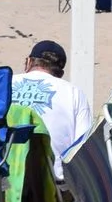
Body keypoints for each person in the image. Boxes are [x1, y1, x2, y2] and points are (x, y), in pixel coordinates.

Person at [10, 39, 92, 178]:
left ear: (29, 62)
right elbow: (82, 147)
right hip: (51, 180)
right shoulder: (73, 92)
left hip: (0, 177)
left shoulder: (5, 82)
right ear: (60, 74)